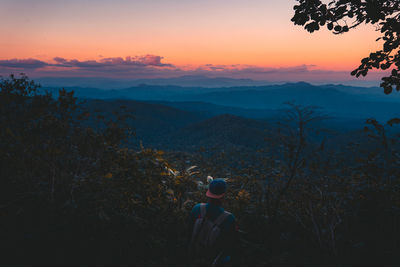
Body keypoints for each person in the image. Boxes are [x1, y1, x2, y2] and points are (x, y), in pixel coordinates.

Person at [188, 178, 238, 266]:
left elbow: (188, 233)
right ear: (223, 195)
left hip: (192, 258)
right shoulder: (229, 218)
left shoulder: (197, 208)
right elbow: (231, 247)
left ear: (208, 193)